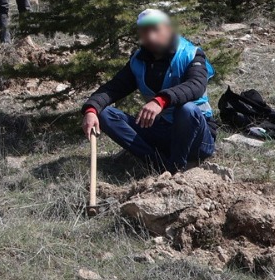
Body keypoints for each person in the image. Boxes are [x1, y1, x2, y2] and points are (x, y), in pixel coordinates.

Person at [82, 9, 217, 173]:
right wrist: (91, 109)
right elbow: (114, 87)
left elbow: (196, 85)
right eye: (145, 32)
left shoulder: (191, 54)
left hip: (198, 138)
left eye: (156, 30)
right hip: (164, 131)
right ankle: (157, 163)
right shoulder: (139, 60)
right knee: (105, 114)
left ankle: (176, 167)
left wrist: (160, 101)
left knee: (187, 109)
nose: (151, 37)